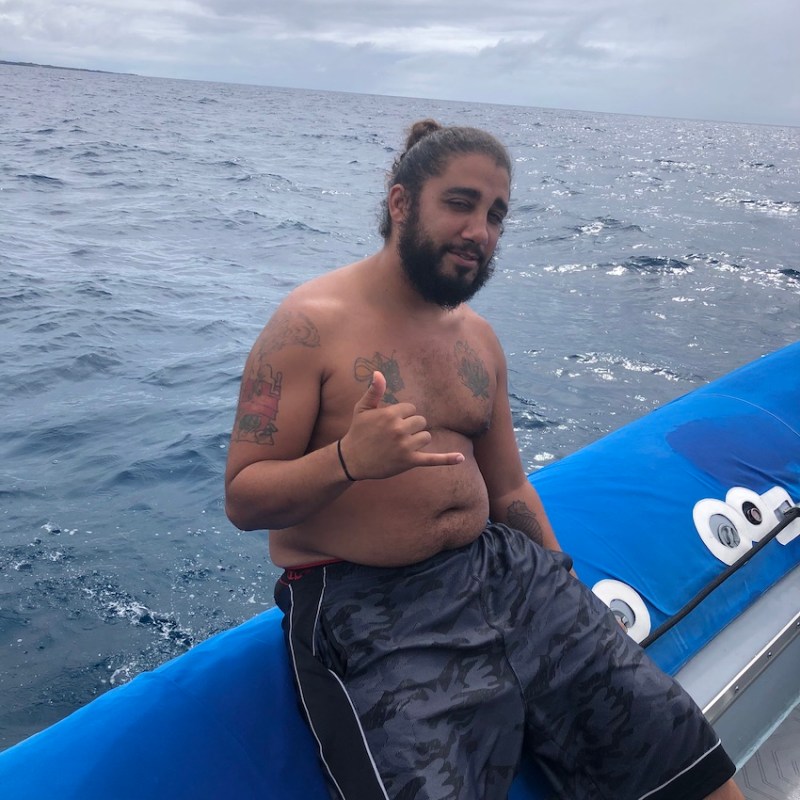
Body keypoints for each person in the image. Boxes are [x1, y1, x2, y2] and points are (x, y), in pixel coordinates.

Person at [225, 120, 744, 800]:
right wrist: (348, 461)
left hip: (505, 573)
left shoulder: (479, 342)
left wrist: (568, 593)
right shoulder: (307, 325)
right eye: (461, 203)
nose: (481, 230)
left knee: (681, 748)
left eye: (496, 214)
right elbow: (243, 497)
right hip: (369, 604)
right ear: (401, 202)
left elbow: (510, 490)